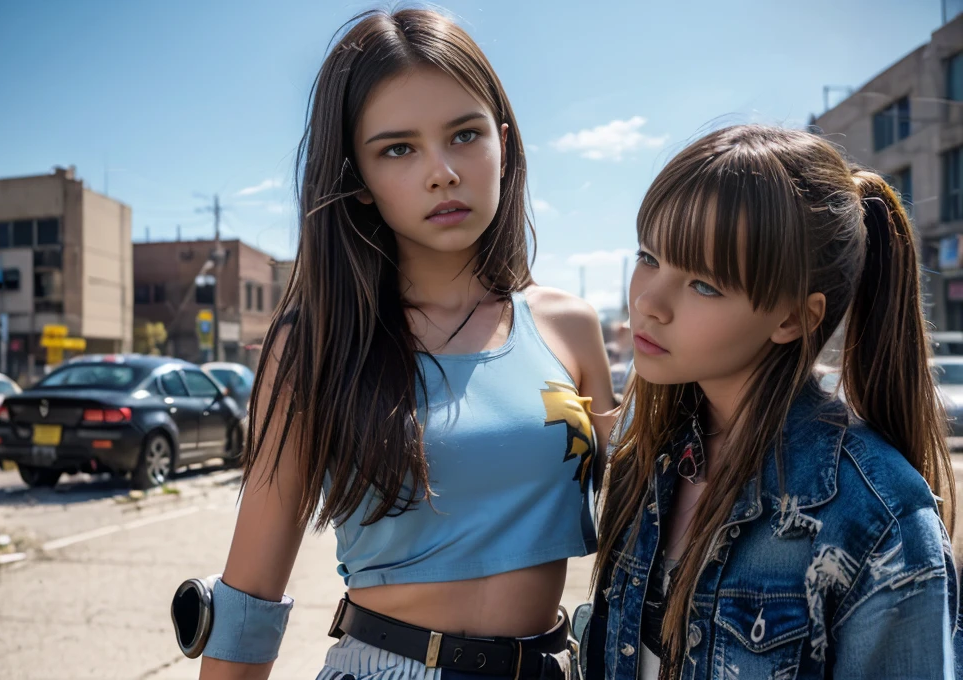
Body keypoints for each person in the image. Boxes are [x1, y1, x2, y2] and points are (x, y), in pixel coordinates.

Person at [186, 8, 615, 680]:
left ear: (503, 142)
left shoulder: (569, 327)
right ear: (356, 178)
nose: (442, 171)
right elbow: (250, 593)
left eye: (465, 134)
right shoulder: (318, 343)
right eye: (398, 149)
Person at [586, 125, 959, 679]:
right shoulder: (653, 459)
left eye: (704, 285)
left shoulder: (875, 514)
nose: (649, 302)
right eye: (649, 256)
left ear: (793, 318)